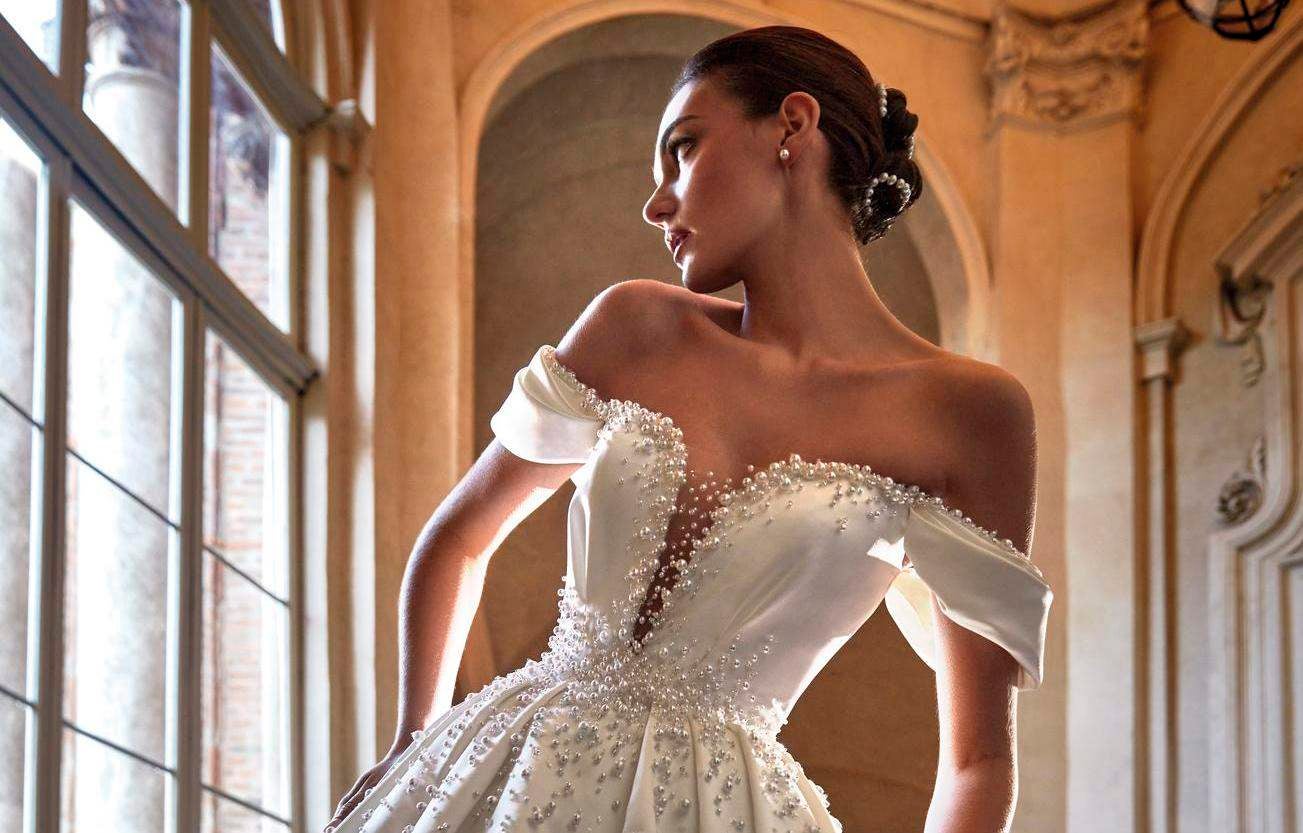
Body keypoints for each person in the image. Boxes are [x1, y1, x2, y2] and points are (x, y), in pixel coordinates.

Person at [325, 24, 1052, 833]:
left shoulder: (968, 413)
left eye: (683, 148)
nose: (656, 201)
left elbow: (978, 759)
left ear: (791, 126)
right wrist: (414, 741)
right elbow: (460, 536)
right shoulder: (633, 325)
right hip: (505, 773)